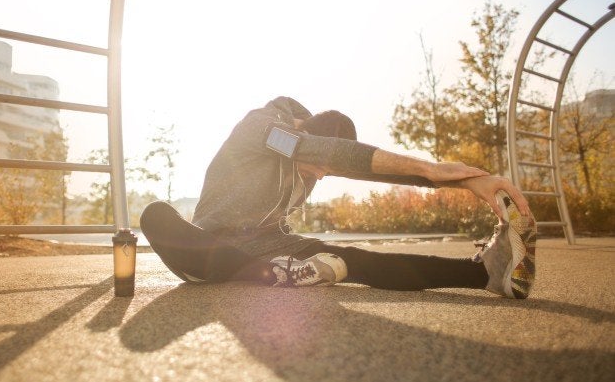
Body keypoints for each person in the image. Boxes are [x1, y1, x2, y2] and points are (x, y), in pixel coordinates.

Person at [140, 97, 536, 299]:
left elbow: (363, 165)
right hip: (206, 249)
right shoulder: (262, 128)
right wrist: (432, 169)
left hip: (273, 247)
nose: (321, 176)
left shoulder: (312, 151)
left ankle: (484, 274)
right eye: (320, 166)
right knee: (155, 214)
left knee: (357, 258)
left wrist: (464, 181)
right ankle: (275, 273)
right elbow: (322, 153)